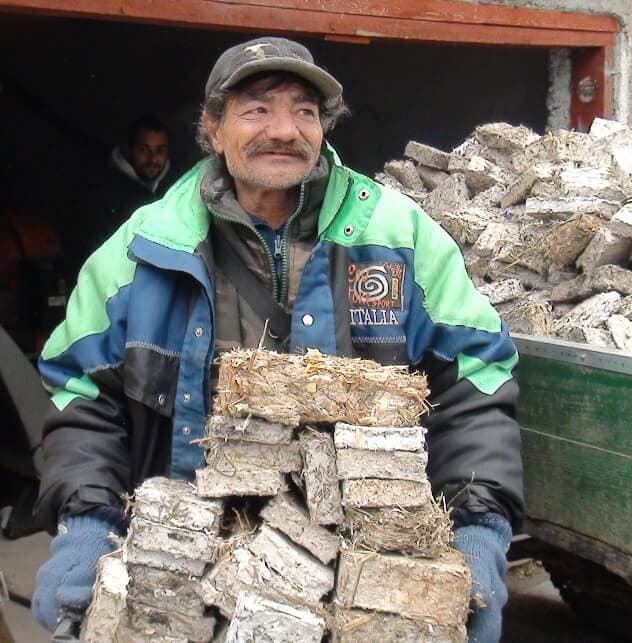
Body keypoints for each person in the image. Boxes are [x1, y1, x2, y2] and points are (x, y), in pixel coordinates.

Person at [32, 37, 524, 642]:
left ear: (324, 128)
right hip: (187, 580)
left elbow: (477, 378)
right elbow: (80, 391)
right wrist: (86, 527)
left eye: (305, 111)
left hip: (362, 591)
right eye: (257, 109)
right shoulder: (145, 249)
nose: (284, 130)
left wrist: (477, 533)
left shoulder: (398, 237)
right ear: (213, 130)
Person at [69, 116, 176, 273]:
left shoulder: (175, 190)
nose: (153, 159)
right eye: (143, 150)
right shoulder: (102, 192)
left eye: (160, 150)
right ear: (127, 151)